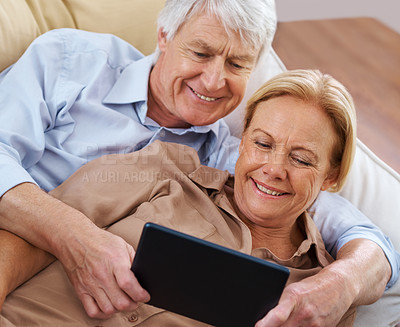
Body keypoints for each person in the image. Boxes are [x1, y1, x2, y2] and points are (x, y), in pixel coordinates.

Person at [0, 0, 397, 325]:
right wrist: (75, 237)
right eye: (201, 53)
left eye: (237, 64)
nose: (212, 81)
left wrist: (343, 282)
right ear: (164, 37)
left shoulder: (228, 159)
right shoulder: (72, 61)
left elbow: (355, 229)